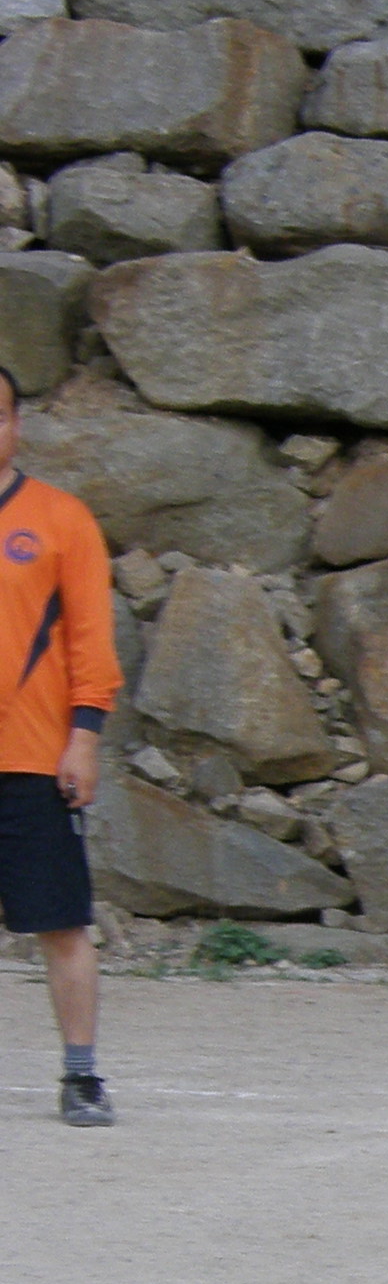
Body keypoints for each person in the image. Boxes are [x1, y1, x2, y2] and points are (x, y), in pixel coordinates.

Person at [0, 364, 124, 1125]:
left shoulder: (61, 518)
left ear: (16, 424)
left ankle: (81, 1076)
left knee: (62, 924)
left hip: (32, 759)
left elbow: (91, 644)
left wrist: (85, 738)